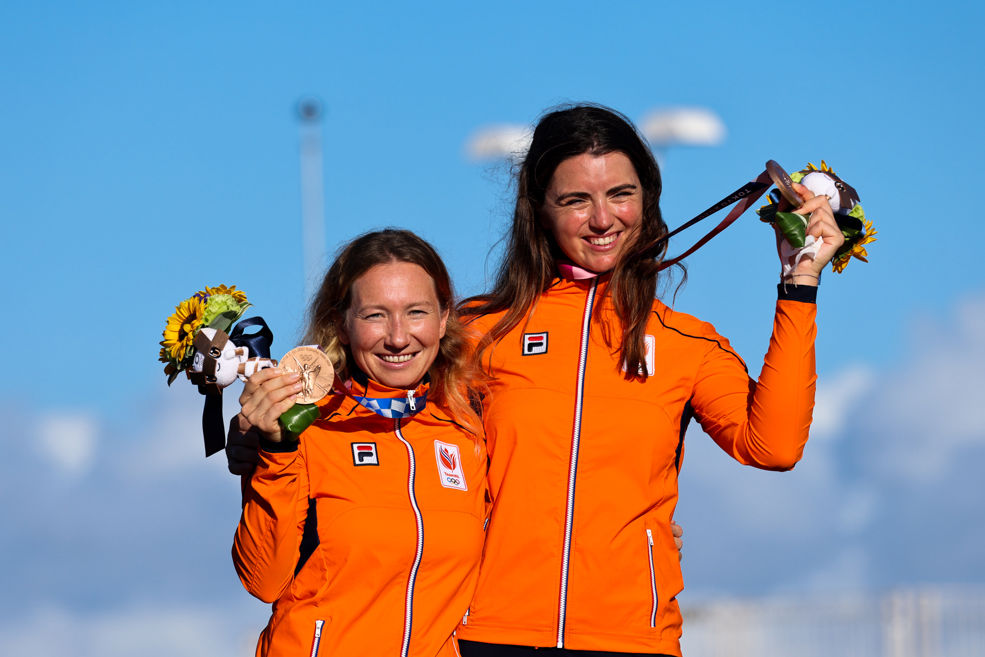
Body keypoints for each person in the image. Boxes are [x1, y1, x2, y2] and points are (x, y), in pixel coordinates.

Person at [453, 104, 843, 657]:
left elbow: (773, 446)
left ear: (648, 200)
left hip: (633, 639)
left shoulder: (686, 344)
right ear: (539, 210)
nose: (602, 219)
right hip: (485, 633)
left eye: (620, 194)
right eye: (574, 200)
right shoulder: (475, 331)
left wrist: (799, 280)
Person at [231, 229, 488, 657]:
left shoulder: (467, 428)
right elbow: (263, 579)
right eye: (375, 315)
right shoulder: (306, 426)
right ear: (341, 324)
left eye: (416, 312)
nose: (399, 337)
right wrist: (273, 451)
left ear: (444, 319)